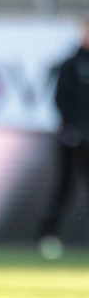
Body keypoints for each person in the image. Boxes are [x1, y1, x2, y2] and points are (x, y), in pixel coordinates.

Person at [38, 21, 89, 260]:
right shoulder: (71, 65)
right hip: (74, 138)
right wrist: (73, 127)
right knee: (65, 188)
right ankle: (47, 236)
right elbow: (61, 99)